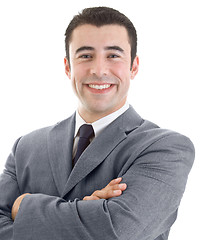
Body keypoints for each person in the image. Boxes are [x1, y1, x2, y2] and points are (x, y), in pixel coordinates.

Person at [0, 6, 195, 240]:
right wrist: (87, 212)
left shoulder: (166, 148)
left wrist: (23, 206)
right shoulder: (26, 147)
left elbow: (117, 231)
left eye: (113, 55)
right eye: (85, 56)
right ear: (67, 67)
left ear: (133, 66)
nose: (99, 70)